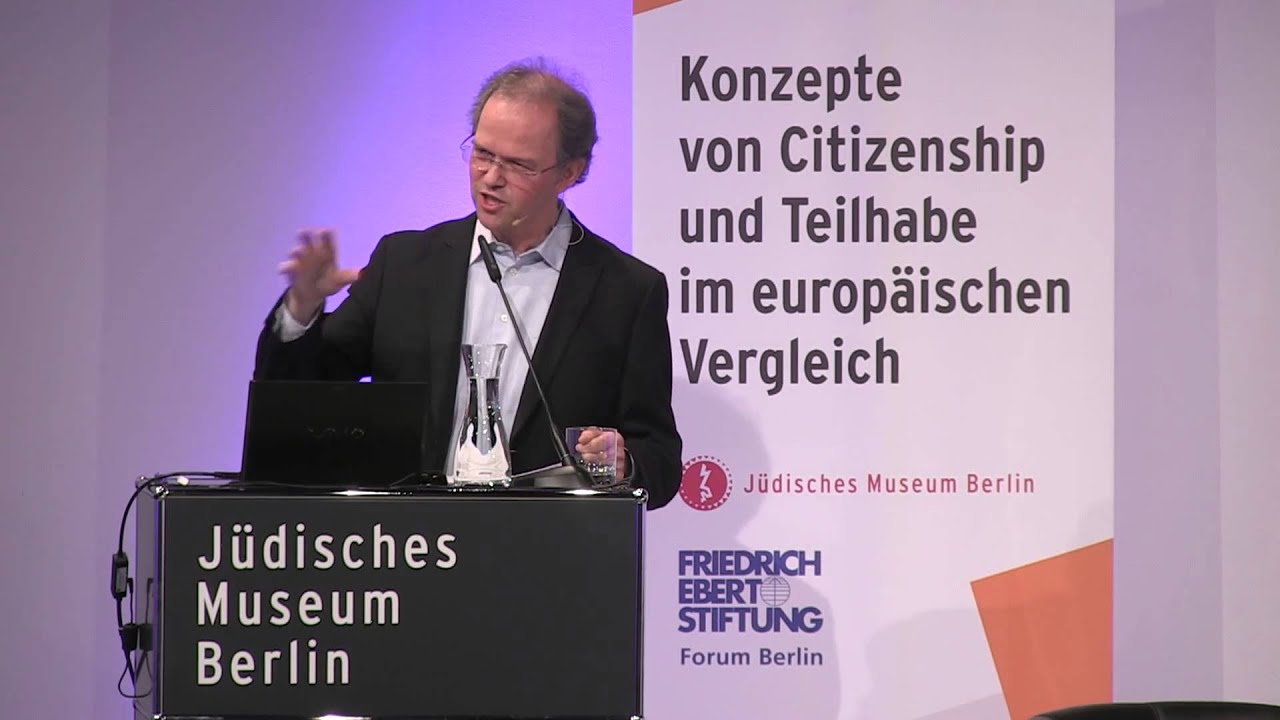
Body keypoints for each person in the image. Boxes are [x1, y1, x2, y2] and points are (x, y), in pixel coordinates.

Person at [253, 58, 682, 509]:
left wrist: (624, 463)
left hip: (547, 557)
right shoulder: (404, 264)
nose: (491, 179)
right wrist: (301, 310)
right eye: (482, 154)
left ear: (569, 173)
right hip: (406, 549)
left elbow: (660, 458)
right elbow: (298, 402)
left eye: (517, 165)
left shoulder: (626, 292)